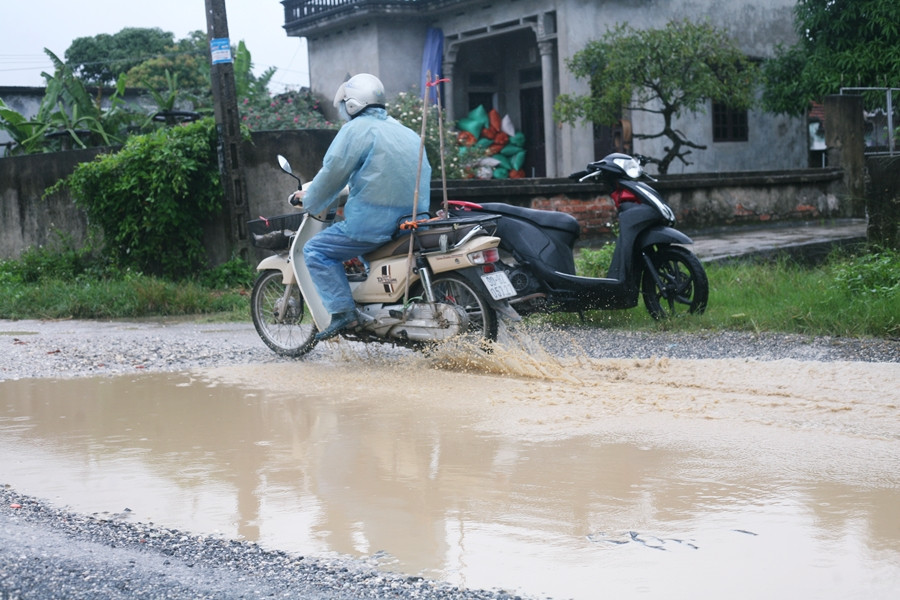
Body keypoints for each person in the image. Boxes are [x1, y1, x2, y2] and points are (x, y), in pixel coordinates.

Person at [291, 73, 431, 341]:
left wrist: (307, 199)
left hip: (372, 224)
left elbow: (333, 174)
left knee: (316, 250)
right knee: (365, 253)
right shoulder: (406, 131)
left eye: (344, 104)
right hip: (412, 220)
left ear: (353, 104)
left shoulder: (355, 130)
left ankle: (344, 314)